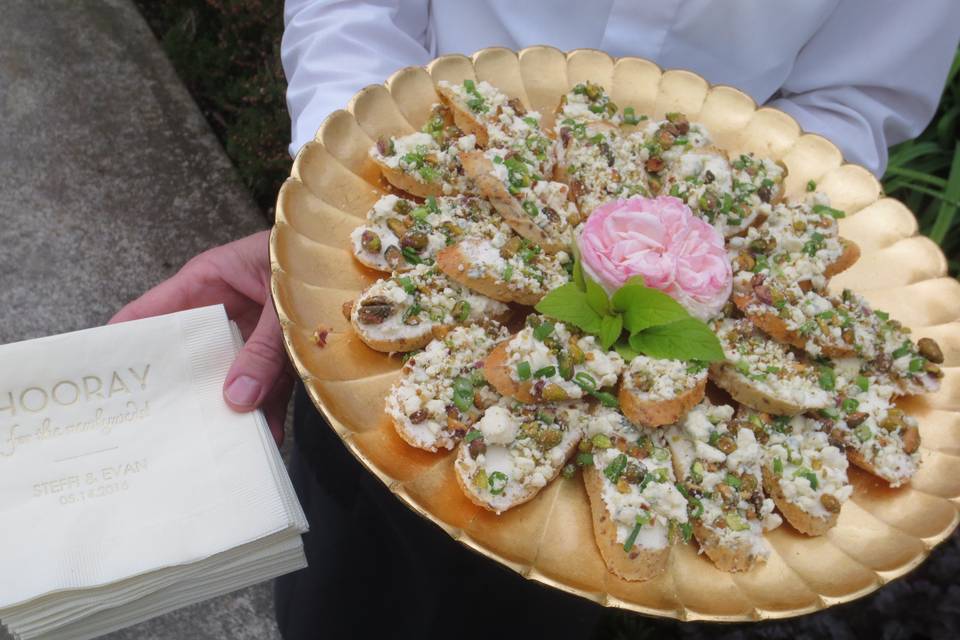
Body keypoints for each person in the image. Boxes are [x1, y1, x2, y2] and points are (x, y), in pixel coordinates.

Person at [112, 2, 960, 638]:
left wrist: (708, 253)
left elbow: (850, 105)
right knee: (343, 582)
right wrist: (332, 206)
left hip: (699, 351)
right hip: (420, 296)